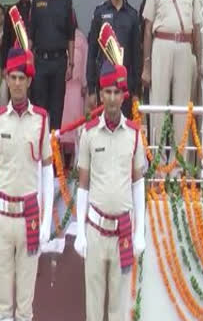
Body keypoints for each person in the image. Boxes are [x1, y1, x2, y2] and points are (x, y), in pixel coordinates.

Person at [74, 25, 146, 321]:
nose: (113, 98)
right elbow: (82, 186)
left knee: (119, 307)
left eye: (117, 92)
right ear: (100, 94)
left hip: (124, 233)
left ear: (123, 95)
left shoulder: (134, 133)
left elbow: (138, 183)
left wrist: (141, 232)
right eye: (107, 92)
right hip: (95, 230)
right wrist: (80, 231)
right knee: (94, 307)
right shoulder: (89, 134)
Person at [0, 47, 54, 321]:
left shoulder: (41, 120)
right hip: (2, 217)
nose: (17, 83)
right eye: (12, 77)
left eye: (22, 77)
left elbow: (48, 171)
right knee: (2, 306)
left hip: (30, 218)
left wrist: (47, 220)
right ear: (6, 79)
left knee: (25, 305)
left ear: (29, 80)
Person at [141, 0, 203, 164]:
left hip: (185, 48)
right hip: (162, 45)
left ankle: (178, 167)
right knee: (158, 106)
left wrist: (199, 62)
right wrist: (146, 66)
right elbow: (147, 28)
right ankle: (157, 164)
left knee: (181, 109)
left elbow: (197, 27)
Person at [87, 0, 141, 116]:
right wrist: (91, 88)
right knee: (103, 125)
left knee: (125, 126)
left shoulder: (132, 15)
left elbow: (137, 55)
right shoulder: (100, 13)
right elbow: (92, 52)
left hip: (126, 82)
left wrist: (136, 91)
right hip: (105, 80)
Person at [29, 0, 75, 131]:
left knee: (57, 108)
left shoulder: (66, 0)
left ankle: (54, 151)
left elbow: (71, 34)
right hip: (40, 60)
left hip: (59, 61)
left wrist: (71, 64)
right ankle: (39, 151)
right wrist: (28, 58)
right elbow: (31, 31)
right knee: (39, 108)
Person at [61, 14, 88, 149]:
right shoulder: (59, 35)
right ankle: (59, 158)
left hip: (77, 86)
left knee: (76, 121)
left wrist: (84, 83)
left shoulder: (81, 37)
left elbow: (85, 61)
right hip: (62, 86)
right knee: (62, 122)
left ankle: (73, 161)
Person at [1, 0, 33, 65]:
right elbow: (6, 40)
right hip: (15, 58)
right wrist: (4, 65)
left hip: (32, 60)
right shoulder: (12, 11)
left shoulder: (36, 10)